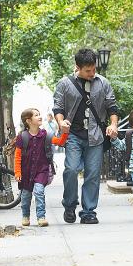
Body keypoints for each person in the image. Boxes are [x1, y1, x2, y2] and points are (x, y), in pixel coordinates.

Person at [53, 48, 119, 224]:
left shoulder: (103, 83)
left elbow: (112, 107)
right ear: (78, 67)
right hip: (73, 134)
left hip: (96, 135)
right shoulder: (65, 84)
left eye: (94, 69)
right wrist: (61, 122)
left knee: (93, 174)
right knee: (71, 169)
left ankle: (89, 211)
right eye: (88, 70)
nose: (92, 73)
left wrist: (113, 124)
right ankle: (69, 204)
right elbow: (58, 108)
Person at [14, 108, 69, 227]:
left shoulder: (45, 135)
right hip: (26, 172)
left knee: (39, 191)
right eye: (36, 115)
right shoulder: (22, 137)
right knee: (25, 196)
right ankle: (25, 216)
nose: (40, 117)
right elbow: (17, 157)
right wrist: (18, 172)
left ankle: (41, 217)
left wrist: (65, 132)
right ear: (28, 120)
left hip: (41, 170)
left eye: (39, 114)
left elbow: (60, 142)